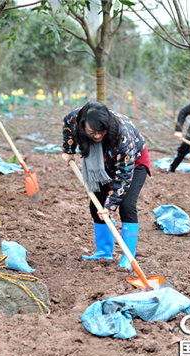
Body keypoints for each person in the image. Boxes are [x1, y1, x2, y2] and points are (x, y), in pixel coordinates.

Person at [62, 102, 151, 270]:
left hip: (133, 163)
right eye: (91, 132)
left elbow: (123, 175)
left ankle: (128, 257)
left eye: (100, 132)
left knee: (126, 205)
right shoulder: (75, 118)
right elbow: (67, 126)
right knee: (96, 203)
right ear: (83, 126)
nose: (96, 136)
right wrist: (68, 150)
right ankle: (103, 252)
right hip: (100, 164)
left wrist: (110, 206)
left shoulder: (122, 135)